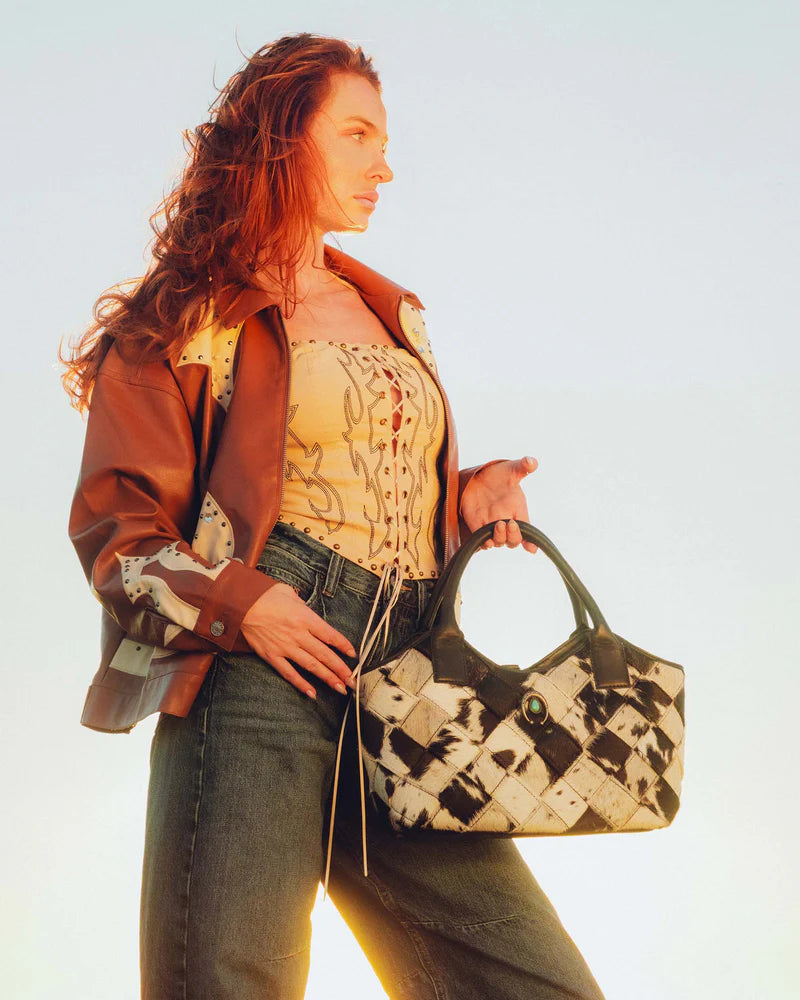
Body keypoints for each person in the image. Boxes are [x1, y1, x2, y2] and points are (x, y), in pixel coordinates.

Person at [61, 32, 606, 1000]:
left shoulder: (389, 311)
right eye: (356, 135)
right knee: (230, 983)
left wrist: (462, 495)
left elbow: (347, 470)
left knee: (537, 982)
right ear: (280, 137)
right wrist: (245, 605)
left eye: (383, 143)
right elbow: (118, 531)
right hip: (258, 664)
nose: (382, 166)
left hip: (407, 674)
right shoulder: (185, 316)